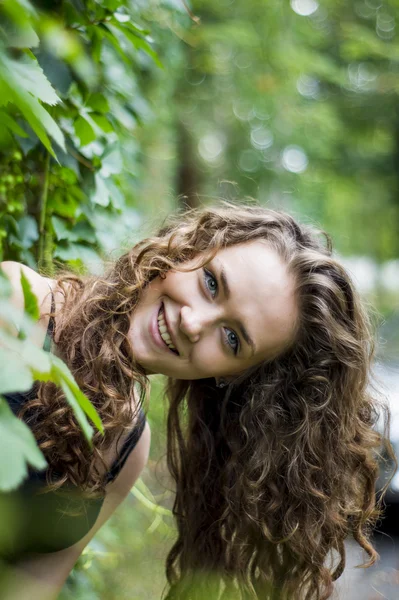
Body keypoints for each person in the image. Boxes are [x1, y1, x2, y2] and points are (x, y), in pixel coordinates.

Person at [0, 202, 394, 600]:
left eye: (233, 338)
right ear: (189, 250)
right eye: (211, 284)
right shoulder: (16, 303)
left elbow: (32, 584)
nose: (191, 323)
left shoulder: (127, 448)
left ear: (233, 376)